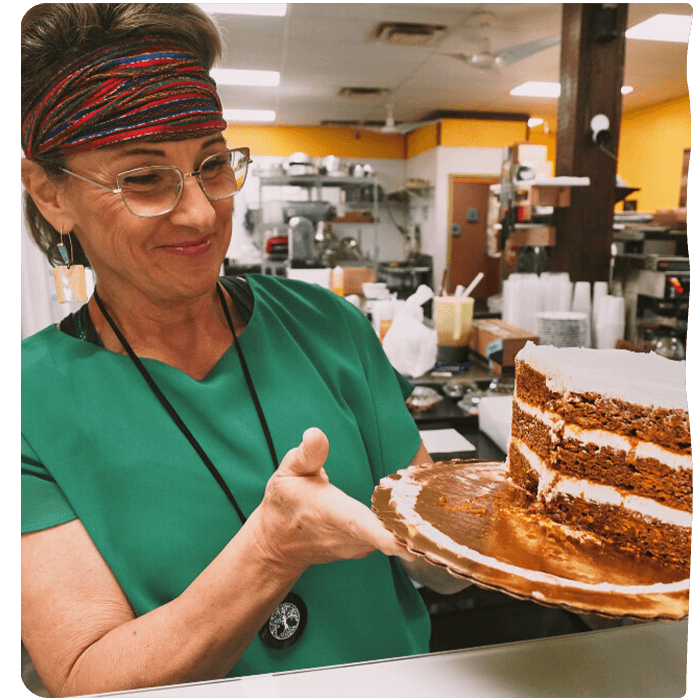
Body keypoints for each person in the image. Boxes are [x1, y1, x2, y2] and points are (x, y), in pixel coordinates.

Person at [21, 4, 470, 696]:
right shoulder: (33, 402)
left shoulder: (329, 326)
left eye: (213, 165)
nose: (201, 213)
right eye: (144, 178)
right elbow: (87, 678)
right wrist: (271, 551)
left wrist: (503, 525)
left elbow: (435, 562)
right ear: (51, 194)